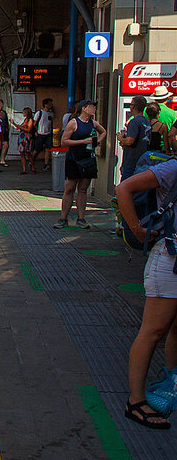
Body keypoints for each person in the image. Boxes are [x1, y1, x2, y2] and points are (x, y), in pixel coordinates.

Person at [116, 155, 177, 430]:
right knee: (153, 331)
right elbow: (123, 189)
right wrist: (138, 231)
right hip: (169, 261)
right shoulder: (173, 168)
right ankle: (136, 401)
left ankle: (169, 388)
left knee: (175, 329)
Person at [55, 99, 106, 228]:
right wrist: (83, 142)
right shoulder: (73, 123)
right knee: (69, 188)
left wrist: (97, 141)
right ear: (84, 108)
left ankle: (81, 218)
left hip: (88, 159)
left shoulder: (93, 123)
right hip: (74, 159)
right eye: (92, 107)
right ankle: (63, 218)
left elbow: (104, 132)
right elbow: (64, 141)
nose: (94, 109)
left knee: (83, 189)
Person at [118, 95, 151, 181]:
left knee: (124, 188)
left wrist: (121, 138)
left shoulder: (134, 121)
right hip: (143, 160)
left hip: (131, 162)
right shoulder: (146, 121)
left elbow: (129, 141)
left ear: (133, 106)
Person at [33, 98, 55, 171]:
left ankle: (46, 164)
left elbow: (51, 123)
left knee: (48, 149)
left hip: (48, 133)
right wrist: (35, 131)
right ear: (45, 105)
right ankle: (31, 160)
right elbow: (35, 123)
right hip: (40, 133)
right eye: (49, 104)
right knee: (37, 149)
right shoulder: (39, 113)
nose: (50, 105)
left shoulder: (51, 114)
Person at [17, 107, 37, 174]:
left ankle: (33, 167)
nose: (23, 113)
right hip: (22, 138)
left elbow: (29, 129)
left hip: (27, 138)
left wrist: (20, 127)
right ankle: (24, 169)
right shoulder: (25, 120)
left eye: (24, 112)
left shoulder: (30, 120)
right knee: (22, 153)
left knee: (28, 153)